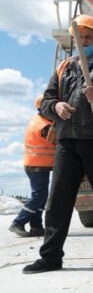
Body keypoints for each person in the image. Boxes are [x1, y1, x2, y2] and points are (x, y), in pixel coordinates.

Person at [23, 14, 93, 274]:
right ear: (74, 40)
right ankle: (51, 257)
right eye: (80, 37)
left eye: (89, 37)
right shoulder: (63, 68)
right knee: (57, 201)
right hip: (67, 143)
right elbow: (47, 100)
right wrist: (56, 106)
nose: (84, 41)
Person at [9, 95, 55, 238]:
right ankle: (18, 222)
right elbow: (57, 140)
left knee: (42, 196)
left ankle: (36, 227)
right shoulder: (44, 126)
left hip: (38, 164)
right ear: (42, 108)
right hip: (37, 164)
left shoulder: (40, 120)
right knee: (39, 196)